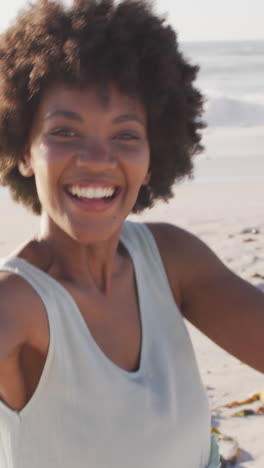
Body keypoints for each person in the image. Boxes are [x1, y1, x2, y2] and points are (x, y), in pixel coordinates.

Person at [0, 0, 263, 467]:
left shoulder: (172, 259)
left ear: (150, 158)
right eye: (65, 132)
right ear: (23, 151)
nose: (98, 159)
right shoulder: (17, 304)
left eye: (125, 136)